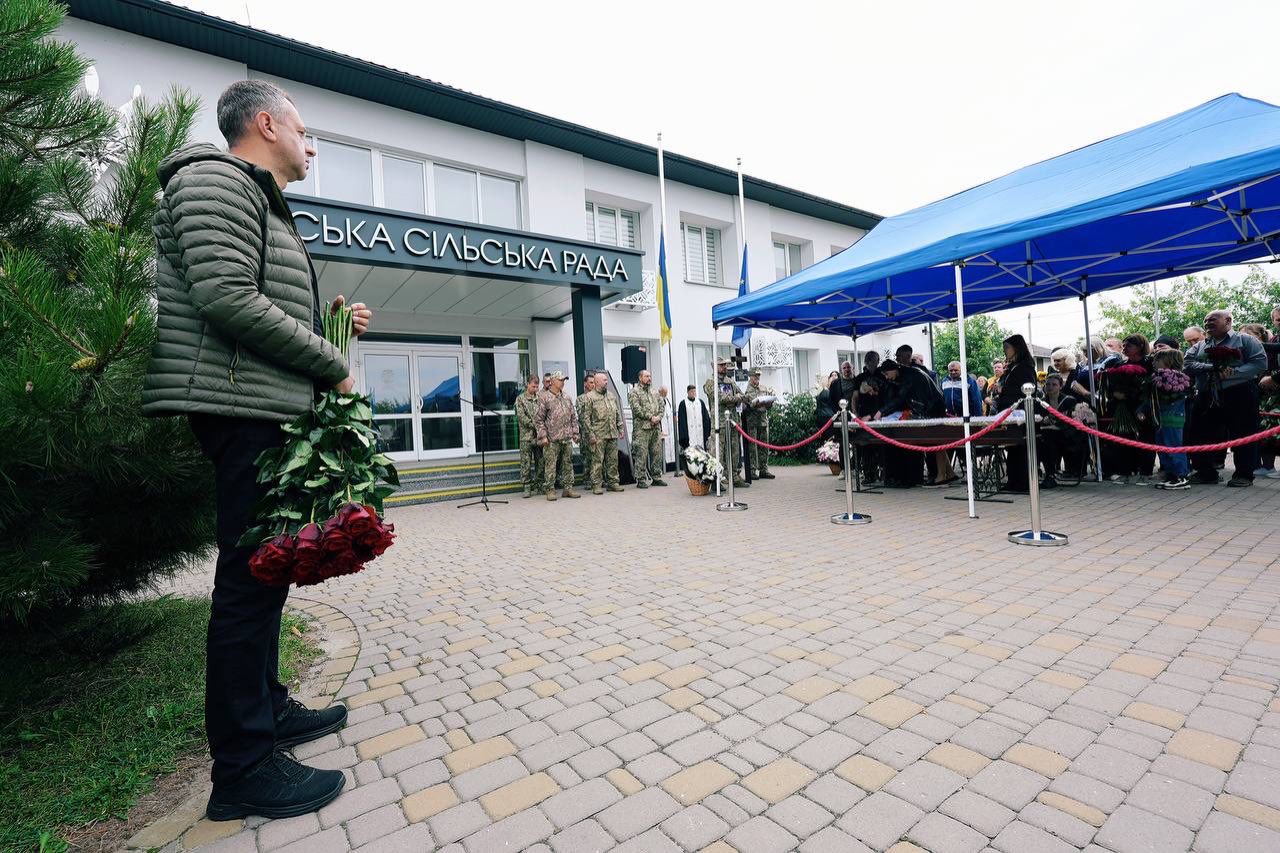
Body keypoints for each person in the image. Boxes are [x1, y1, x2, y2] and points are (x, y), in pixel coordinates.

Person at [144, 80, 361, 820]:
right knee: (247, 585)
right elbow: (228, 298)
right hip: (241, 414)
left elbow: (258, 298)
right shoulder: (215, 180)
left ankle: (269, 707)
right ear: (266, 124)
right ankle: (243, 769)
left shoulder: (256, 197)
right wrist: (330, 362)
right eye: (304, 130)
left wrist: (333, 326)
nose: (312, 146)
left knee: (268, 573)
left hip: (261, 408)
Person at [1184, 310, 1268, 486]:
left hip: (1239, 393)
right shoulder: (1200, 345)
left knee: (1243, 433)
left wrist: (1233, 373)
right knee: (1198, 434)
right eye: (1206, 320)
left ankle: (1244, 475)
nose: (1208, 323)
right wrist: (1211, 368)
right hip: (1206, 395)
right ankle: (1205, 473)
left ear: (1228, 321)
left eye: (1213, 319)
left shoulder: (1246, 340)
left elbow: (1260, 363)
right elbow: (1187, 363)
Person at [995, 334, 1038, 492]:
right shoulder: (1013, 367)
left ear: (1016, 348)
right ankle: (1013, 480)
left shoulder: (1025, 367)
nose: (1005, 351)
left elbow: (1028, 389)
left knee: (1019, 448)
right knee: (1012, 448)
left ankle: (1022, 482)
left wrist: (1003, 390)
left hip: (1020, 413)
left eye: (1007, 347)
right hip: (1009, 412)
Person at [1148, 349, 1191, 490]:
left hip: (1173, 418)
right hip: (1160, 419)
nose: (1154, 363)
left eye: (1157, 360)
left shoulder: (1178, 380)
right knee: (1162, 448)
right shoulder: (1156, 379)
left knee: (1173, 447)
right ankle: (1171, 475)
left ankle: (1181, 475)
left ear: (1169, 362)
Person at [535, 371, 581, 500]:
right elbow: (538, 419)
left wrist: (575, 433)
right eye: (560, 380)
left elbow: (573, 416)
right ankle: (550, 489)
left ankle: (568, 488)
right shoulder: (544, 398)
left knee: (568, 463)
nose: (563, 382)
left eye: (564, 380)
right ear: (553, 381)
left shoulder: (567, 397)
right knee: (551, 464)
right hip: (551, 439)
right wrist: (543, 436)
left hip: (566, 437)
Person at [704, 357, 748, 488]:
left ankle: (734, 476)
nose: (724, 367)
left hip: (733, 421)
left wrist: (739, 398)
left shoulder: (730, 381)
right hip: (719, 423)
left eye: (725, 365)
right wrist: (737, 398)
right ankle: (716, 480)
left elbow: (742, 394)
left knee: (734, 450)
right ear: (714, 366)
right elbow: (721, 398)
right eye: (721, 365)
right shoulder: (710, 382)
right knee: (718, 452)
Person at [1038, 374, 1082, 488]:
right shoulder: (1041, 403)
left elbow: (1072, 421)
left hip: (1068, 436)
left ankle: (1050, 475)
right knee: (1043, 440)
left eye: (1054, 384)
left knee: (1047, 439)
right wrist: (1044, 421)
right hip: (1049, 436)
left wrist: (1056, 423)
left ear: (1060, 386)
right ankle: (1049, 474)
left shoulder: (1069, 401)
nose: (1050, 387)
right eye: (1048, 384)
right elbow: (1038, 420)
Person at [585, 371, 625, 494]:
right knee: (597, 461)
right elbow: (586, 418)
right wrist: (591, 434)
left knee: (613, 460)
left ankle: (613, 482)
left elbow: (617, 413)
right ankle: (596, 484)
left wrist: (620, 428)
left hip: (612, 433)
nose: (606, 382)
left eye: (607, 380)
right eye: (604, 380)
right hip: (599, 434)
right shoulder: (590, 397)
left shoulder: (611, 396)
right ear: (597, 382)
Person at [628, 369, 668, 488]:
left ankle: (656, 477)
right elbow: (636, 409)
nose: (649, 378)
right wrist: (650, 417)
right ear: (640, 378)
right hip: (642, 429)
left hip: (655, 428)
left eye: (650, 376)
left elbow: (662, 406)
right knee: (641, 454)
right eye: (646, 376)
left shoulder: (654, 392)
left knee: (656, 453)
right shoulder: (634, 392)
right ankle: (640, 479)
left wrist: (658, 417)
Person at [742, 368, 775, 479]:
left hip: (763, 420)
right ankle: (752, 470)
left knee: (764, 446)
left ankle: (763, 469)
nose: (757, 378)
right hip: (752, 421)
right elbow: (745, 405)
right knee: (753, 447)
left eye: (759, 376)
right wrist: (753, 404)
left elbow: (768, 405)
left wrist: (770, 402)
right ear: (750, 376)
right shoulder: (746, 389)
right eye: (755, 376)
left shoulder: (763, 388)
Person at [514, 375, 543, 498]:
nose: (535, 389)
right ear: (528, 384)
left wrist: (541, 426)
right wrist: (535, 425)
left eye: (537, 386)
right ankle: (527, 486)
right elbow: (521, 416)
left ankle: (539, 484)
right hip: (526, 437)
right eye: (533, 386)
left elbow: (543, 413)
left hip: (539, 436)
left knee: (540, 461)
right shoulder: (520, 399)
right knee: (526, 462)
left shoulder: (540, 398)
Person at [677, 384, 711, 461]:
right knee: (691, 454)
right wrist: (684, 438)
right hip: (690, 435)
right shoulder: (683, 404)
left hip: (700, 434)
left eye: (694, 391)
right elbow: (682, 422)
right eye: (691, 391)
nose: (693, 393)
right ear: (688, 392)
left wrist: (707, 432)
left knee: (702, 453)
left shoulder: (700, 402)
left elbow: (706, 418)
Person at [575, 372, 595, 491]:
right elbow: (582, 417)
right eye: (591, 383)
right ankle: (587, 480)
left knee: (598, 458)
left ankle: (598, 479)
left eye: (594, 382)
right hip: (586, 433)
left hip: (599, 432)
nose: (593, 385)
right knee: (587, 458)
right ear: (585, 384)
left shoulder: (598, 397)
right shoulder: (581, 399)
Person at [815, 371, 839, 443]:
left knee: (825, 438)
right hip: (828, 417)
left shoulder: (820, 392)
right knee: (830, 438)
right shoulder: (827, 392)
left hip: (821, 417)